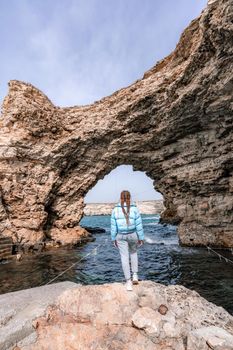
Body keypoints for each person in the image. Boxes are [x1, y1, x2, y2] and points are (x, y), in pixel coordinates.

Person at [111, 190, 144, 291]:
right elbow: (139, 225)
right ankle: (135, 275)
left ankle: (128, 282)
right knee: (133, 253)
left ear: (120, 197)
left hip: (120, 236)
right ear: (130, 197)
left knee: (124, 257)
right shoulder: (135, 209)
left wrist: (113, 239)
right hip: (133, 234)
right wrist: (141, 237)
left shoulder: (115, 210)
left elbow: (113, 227)